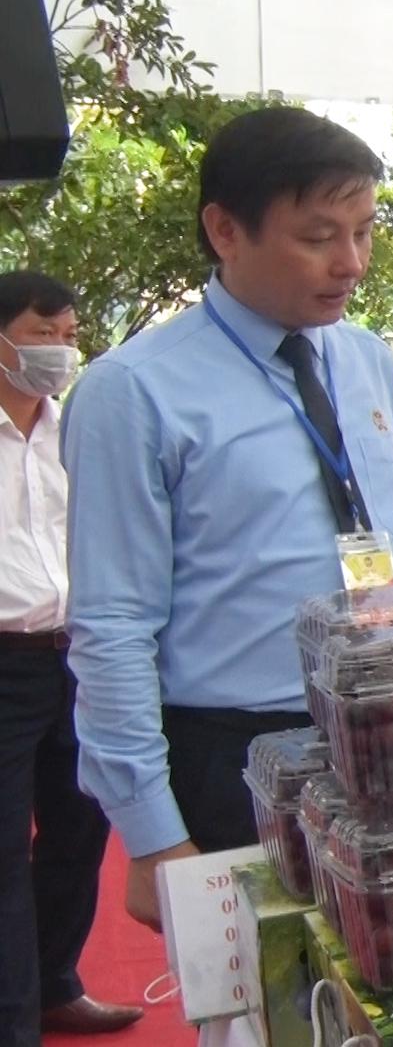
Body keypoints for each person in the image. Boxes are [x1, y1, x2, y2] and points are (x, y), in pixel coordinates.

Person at [61, 107, 393, 931]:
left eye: (363, 232)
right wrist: (153, 839)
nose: (351, 262)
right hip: (239, 753)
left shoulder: (364, 359)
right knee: (269, 1006)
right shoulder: (135, 391)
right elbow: (111, 625)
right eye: (320, 236)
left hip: (386, 729)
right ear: (225, 229)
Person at [0, 274, 142, 1043]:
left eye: (67, 334)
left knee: (80, 830)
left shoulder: (75, 429)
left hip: (76, 656)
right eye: (39, 332)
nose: (57, 350)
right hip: (3, 660)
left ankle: (55, 982)